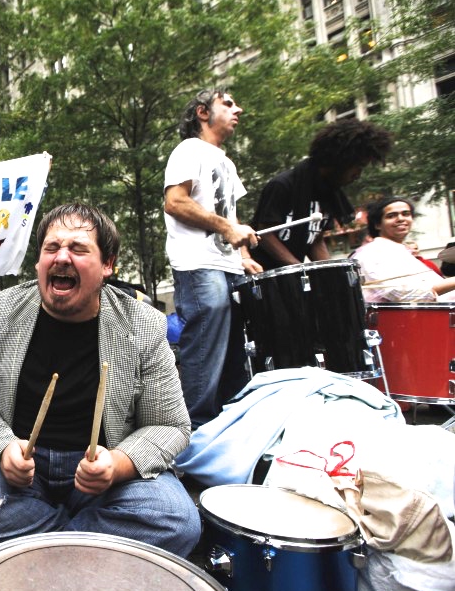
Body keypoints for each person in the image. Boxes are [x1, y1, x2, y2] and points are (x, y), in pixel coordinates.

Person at [0, 202, 200, 556]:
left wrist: (118, 465)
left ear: (107, 265)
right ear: (38, 262)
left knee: (177, 521)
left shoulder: (144, 325)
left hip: (104, 470)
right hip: (18, 466)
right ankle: (90, 539)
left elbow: (171, 426)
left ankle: (37, 545)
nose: (61, 257)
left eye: (78, 248)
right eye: (52, 248)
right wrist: (3, 448)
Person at [163, 89, 260, 428]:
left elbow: (230, 215)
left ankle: (230, 432)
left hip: (227, 265)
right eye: (229, 104)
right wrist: (226, 229)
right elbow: (175, 202)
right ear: (203, 113)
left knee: (234, 351)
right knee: (205, 344)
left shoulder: (227, 161)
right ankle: (190, 433)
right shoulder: (189, 150)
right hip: (198, 263)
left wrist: (243, 253)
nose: (239, 109)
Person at [249, 118, 393, 270]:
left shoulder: (328, 192)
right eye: (358, 166)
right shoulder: (282, 185)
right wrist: (300, 268)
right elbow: (264, 235)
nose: (358, 174)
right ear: (340, 160)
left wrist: (331, 272)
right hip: (262, 274)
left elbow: (315, 240)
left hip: (294, 276)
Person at [351, 197, 455, 302]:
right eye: (391, 216)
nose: (401, 219)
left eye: (406, 214)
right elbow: (404, 295)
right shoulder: (372, 253)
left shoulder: (400, 251)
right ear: (377, 224)